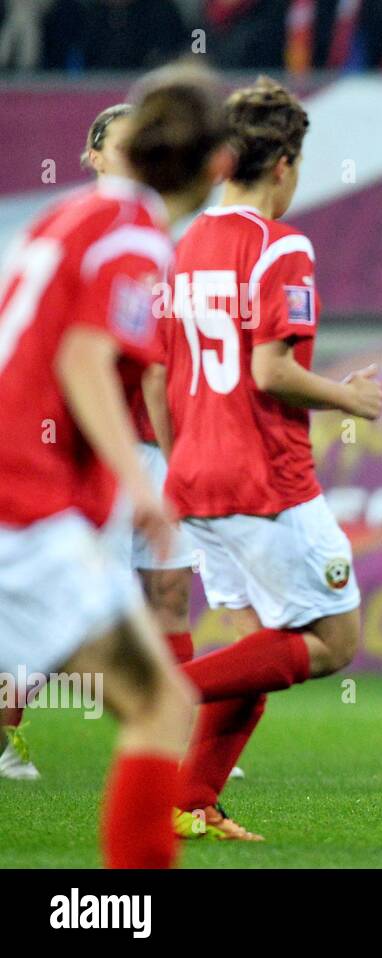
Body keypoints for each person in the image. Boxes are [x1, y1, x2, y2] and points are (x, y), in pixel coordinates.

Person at [0, 61, 231, 866]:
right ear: (215, 165)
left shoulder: (66, 216)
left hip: (27, 502)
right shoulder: (135, 239)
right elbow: (84, 360)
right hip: (18, 511)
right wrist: (144, 488)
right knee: (161, 705)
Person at [159, 76, 382, 841]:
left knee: (261, 647)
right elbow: (269, 371)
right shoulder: (281, 244)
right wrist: (349, 399)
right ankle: (158, 688)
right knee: (332, 643)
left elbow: (162, 371)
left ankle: (191, 801)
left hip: (194, 476)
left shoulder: (185, 243)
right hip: (265, 481)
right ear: (284, 162)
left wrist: (177, 461)